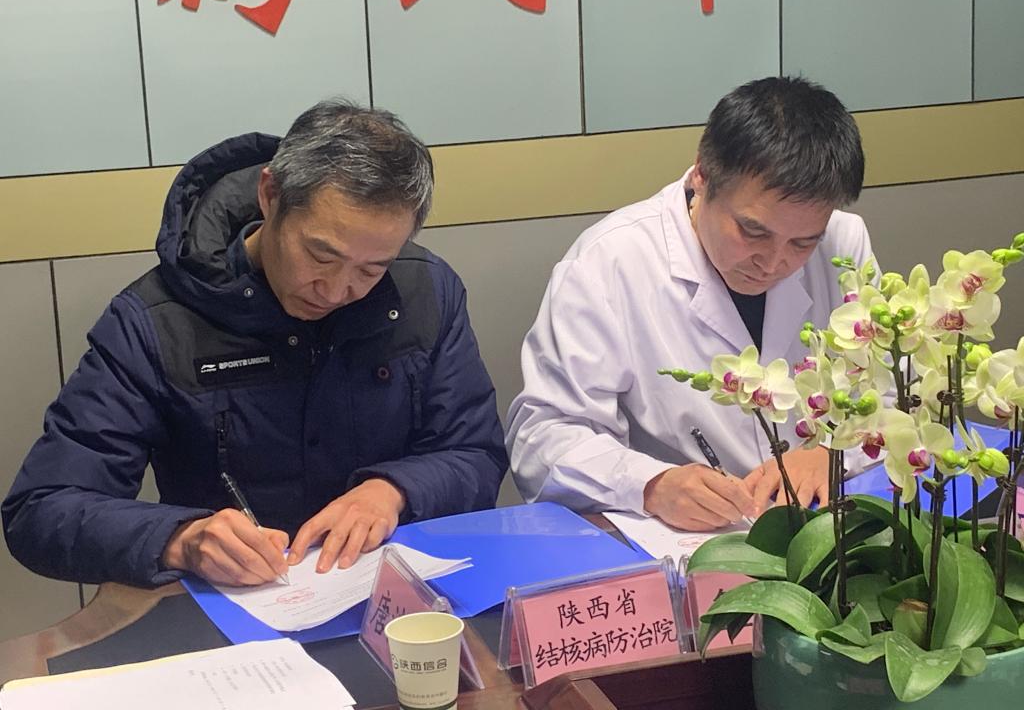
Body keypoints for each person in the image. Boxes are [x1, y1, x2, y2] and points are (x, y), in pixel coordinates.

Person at [3, 100, 507, 588]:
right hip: (231, 607)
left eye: (371, 269)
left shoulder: (425, 291)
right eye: (321, 256)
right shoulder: (157, 321)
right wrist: (180, 539)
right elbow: (42, 508)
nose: (336, 291)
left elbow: (475, 452)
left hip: (393, 596)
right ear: (271, 195)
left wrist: (393, 491)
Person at [507, 77, 873, 531]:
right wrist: (649, 484)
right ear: (702, 175)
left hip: (821, 528)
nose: (773, 262)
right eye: (753, 232)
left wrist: (834, 452)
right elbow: (543, 437)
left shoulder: (843, 244)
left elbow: (895, 396)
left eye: (802, 242)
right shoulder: (610, 261)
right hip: (684, 541)